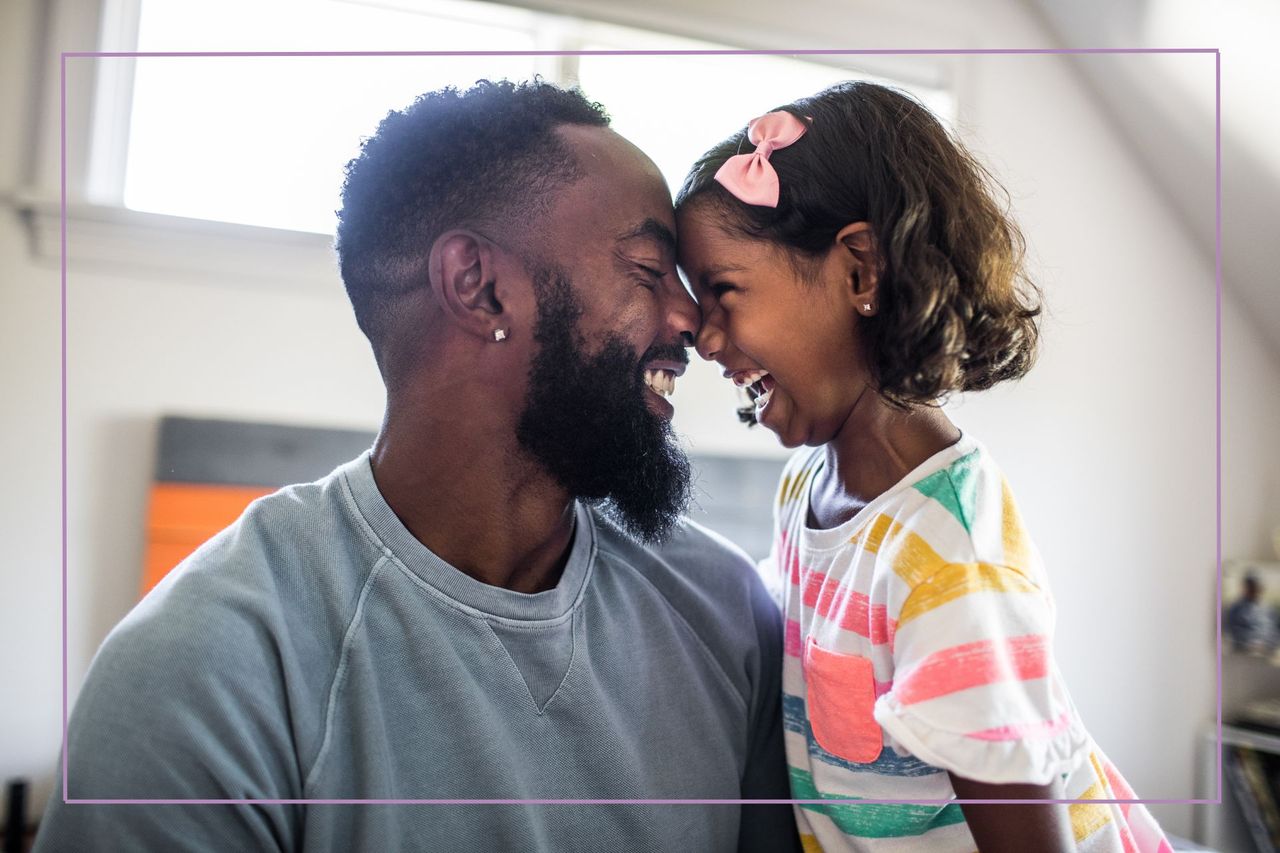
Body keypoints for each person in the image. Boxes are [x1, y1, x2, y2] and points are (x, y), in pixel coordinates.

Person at [34, 81, 799, 853]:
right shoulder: (201, 674)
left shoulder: (726, 613)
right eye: (646, 269)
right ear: (479, 286)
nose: (693, 322)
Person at [674, 82, 1171, 853]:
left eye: (723, 292)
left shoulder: (949, 560)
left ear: (859, 273)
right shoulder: (808, 488)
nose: (705, 339)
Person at [1227, 573, 1279, 654]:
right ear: (1245, 587)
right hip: (1246, 654)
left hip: (1268, 652)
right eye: (1251, 586)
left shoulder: (1269, 609)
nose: (1254, 589)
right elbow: (1234, 633)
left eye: (1256, 586)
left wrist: (1269, 644)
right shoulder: (1235, 609)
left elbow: (1275, 631)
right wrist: (1253, 643)